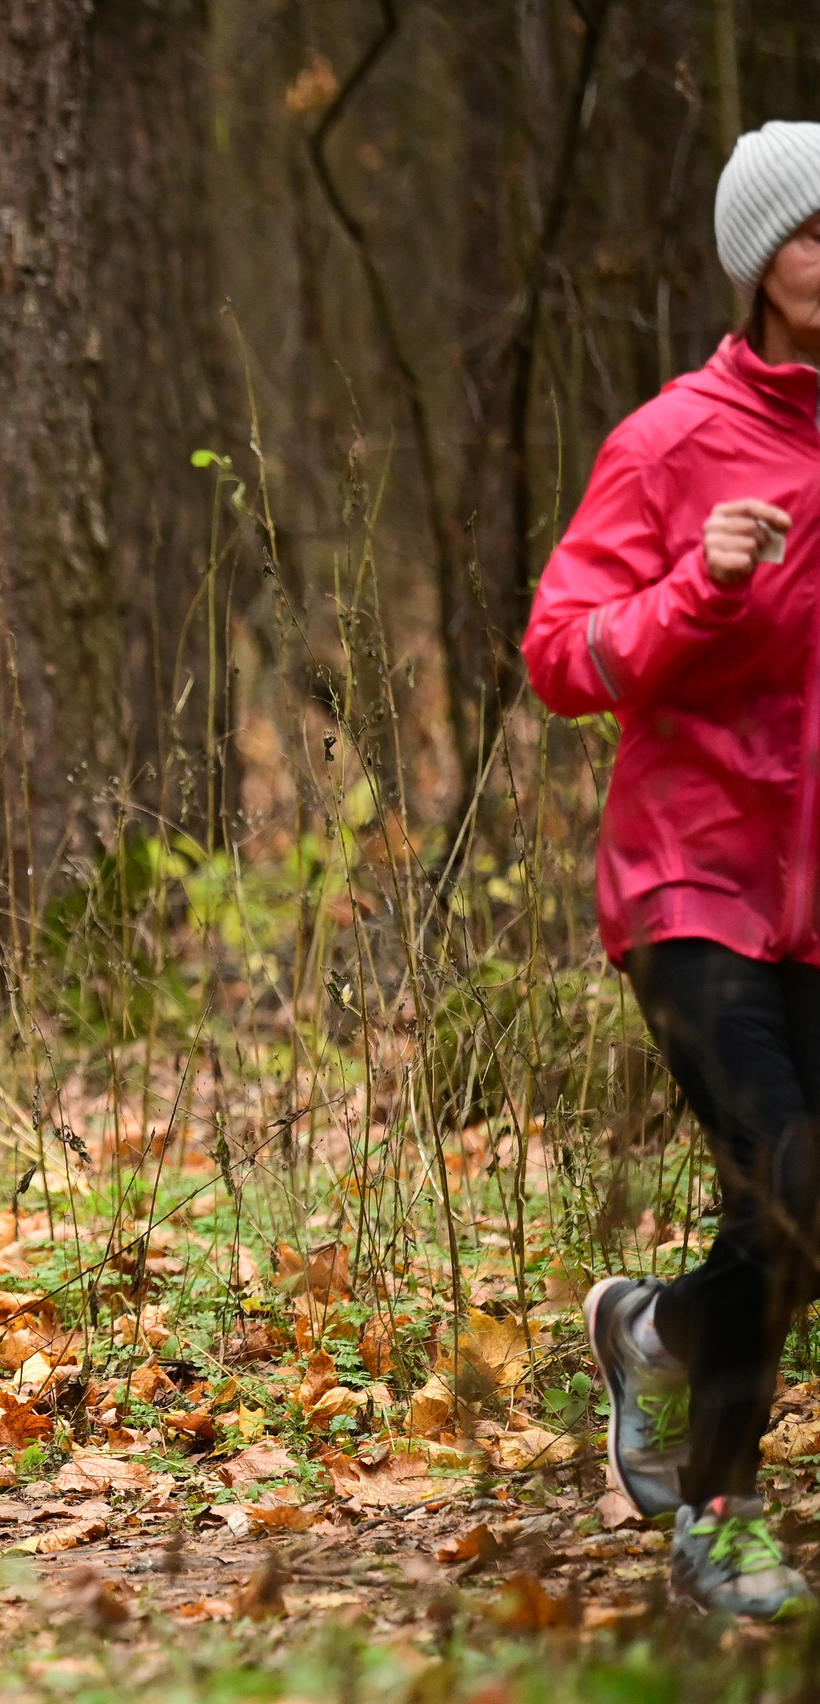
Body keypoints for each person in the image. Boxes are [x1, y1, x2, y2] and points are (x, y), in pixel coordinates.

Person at [525, 120, 820, 1621]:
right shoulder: (671, 443)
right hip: (694, 883)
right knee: (793, 1188)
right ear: (761, 265)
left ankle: (655, 1334)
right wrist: (697, 588)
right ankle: (721, 1526)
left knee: (785, 1220)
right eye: (818, 235)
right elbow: (559, 657)